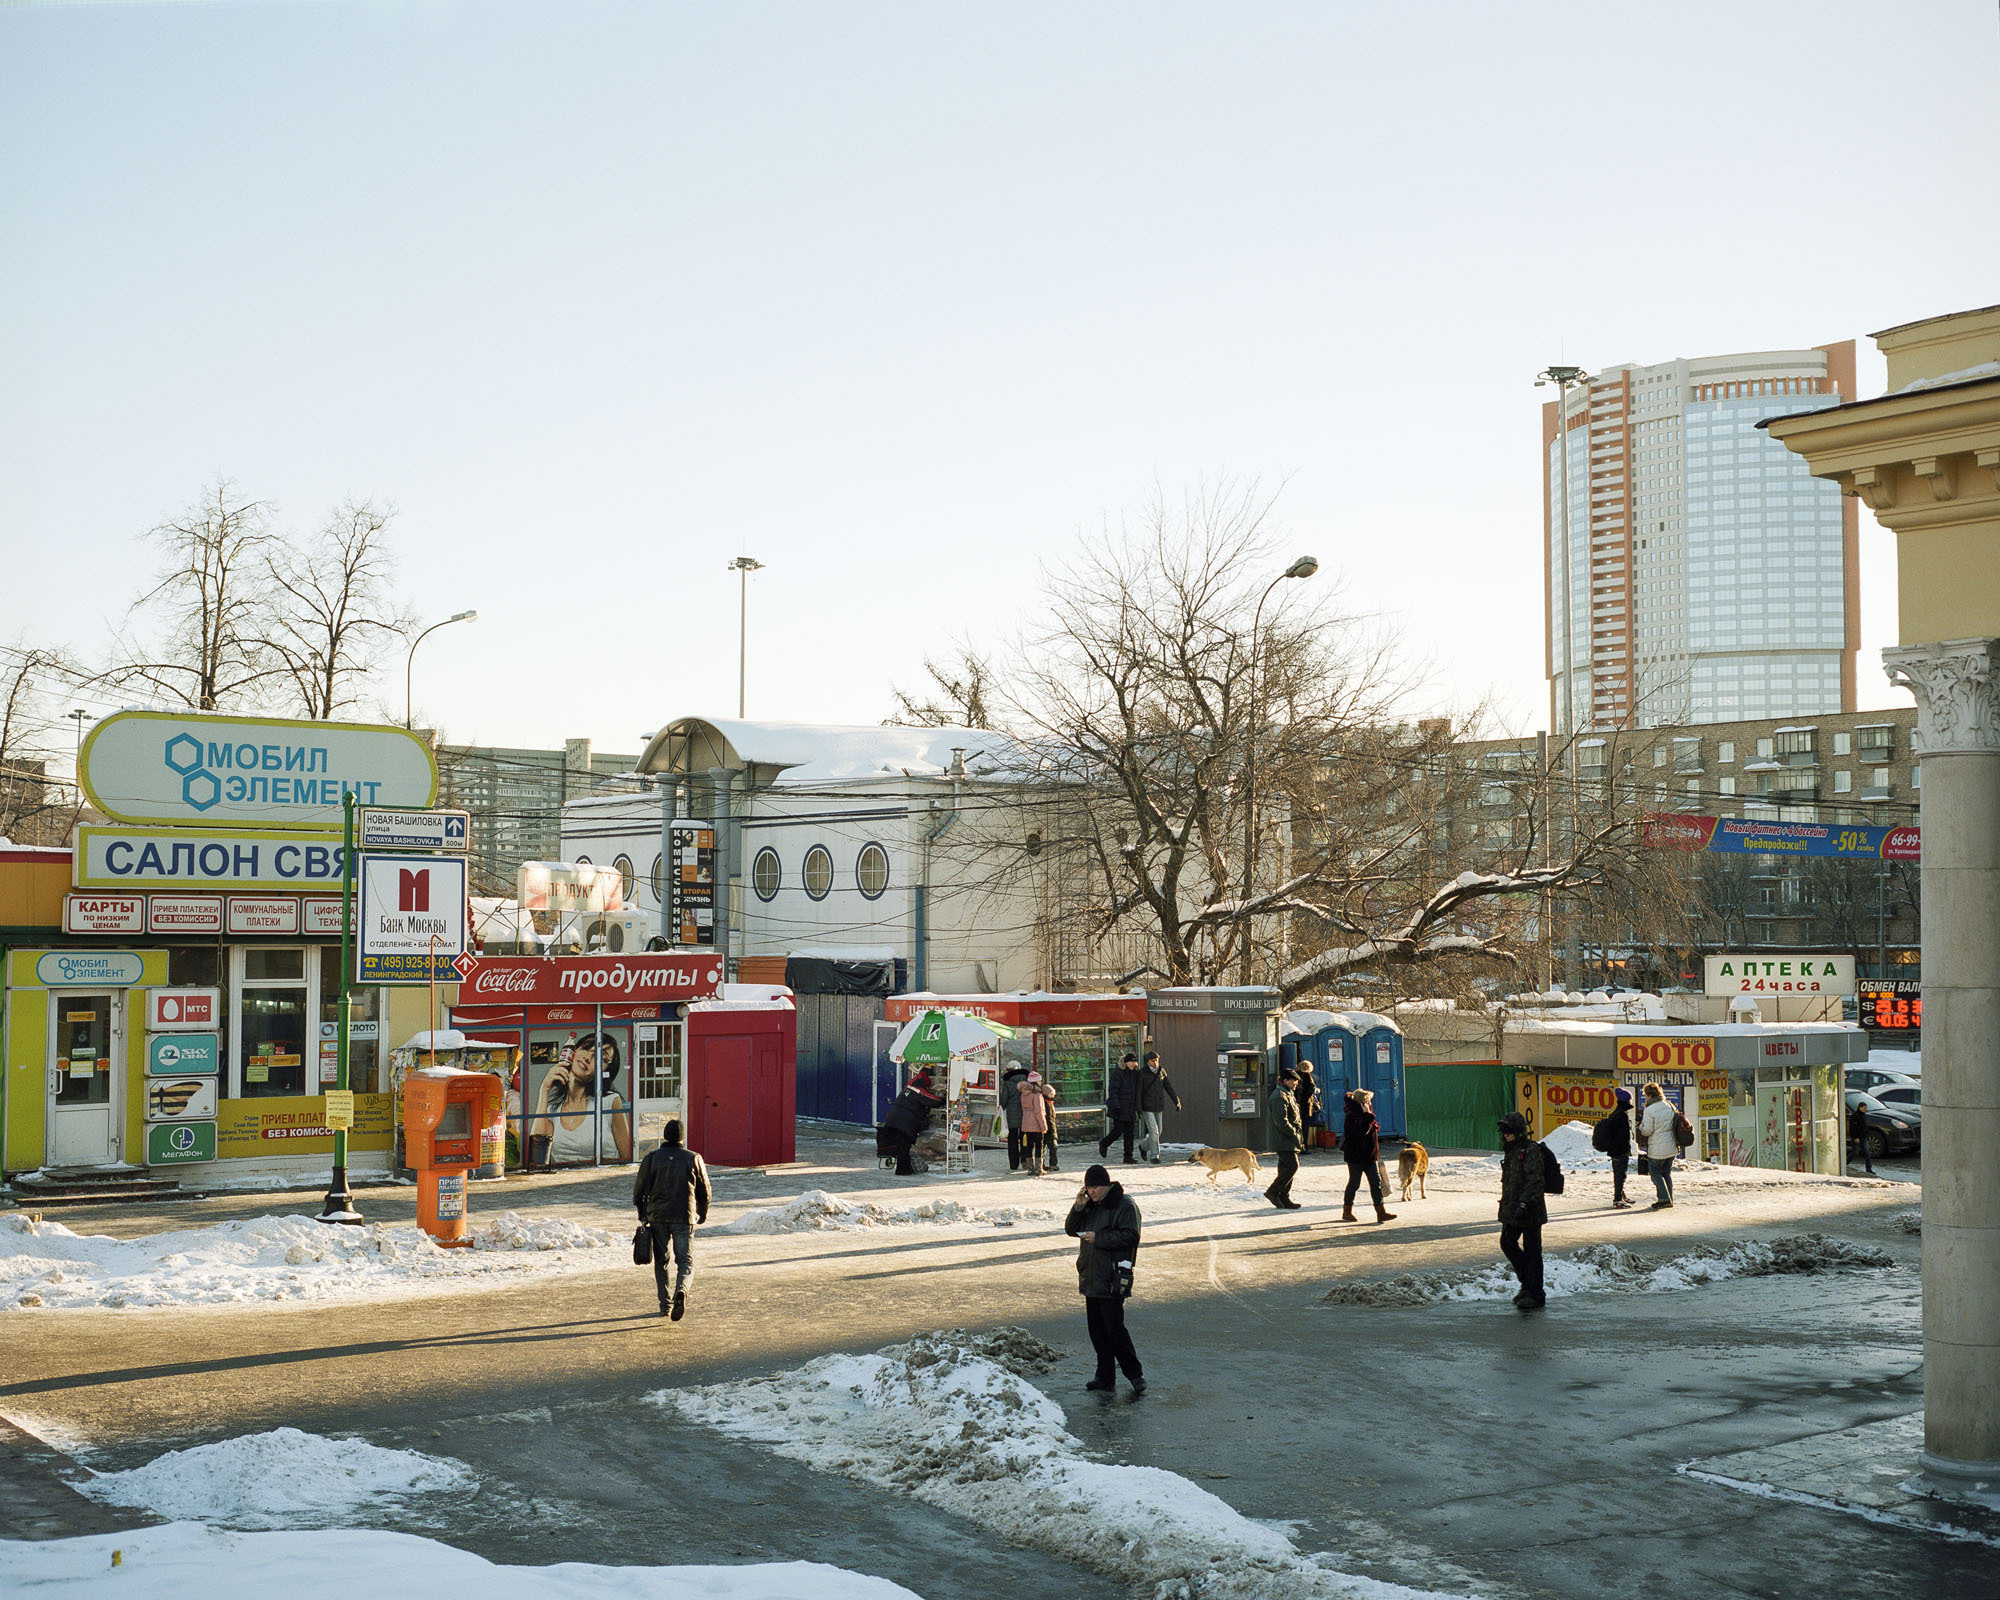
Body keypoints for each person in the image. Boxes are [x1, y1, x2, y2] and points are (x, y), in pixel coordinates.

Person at [1066, 1163, 1144, 1394]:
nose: (1091, 1191)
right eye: (1088, 1187)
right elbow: (1071, 1230)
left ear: (1106, 1185)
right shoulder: (1089, 1205)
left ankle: (1135, 1375)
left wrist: (1098, 1238)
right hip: (1091, 1276)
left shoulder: (1124, 1205)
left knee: (1115, 1330)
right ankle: (1104, 1376)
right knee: (1097, 1332)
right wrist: (1078, 1207)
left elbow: (1131, 1236)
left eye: (1095, 1187)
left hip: (1112, 1276)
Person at [632, 1117, 711, 1319]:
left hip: (657, 1216)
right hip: (684, 1217)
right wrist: (702, 1212)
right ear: (682, 1137)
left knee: (662, 1262)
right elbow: (705, 1191)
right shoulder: (694, 1158)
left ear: (665, 1136)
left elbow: (638, 1190)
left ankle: (665, 1304)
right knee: (685, 1262)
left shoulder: (651, 1158)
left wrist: (642, 1212)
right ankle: (682, 1290)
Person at [529, 1033, 633, 1167]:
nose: (587, 1058)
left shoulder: (610, 1103)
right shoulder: (553, 1110)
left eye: (600, 1058)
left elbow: (628, 1159)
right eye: (585, 1048)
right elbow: (537, 1158)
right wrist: (544, 1090)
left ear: (605, 1070)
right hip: (562, 1179)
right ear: (574, 1050)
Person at [1496, 1111, 1546, 1311]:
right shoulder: (1511, 1150)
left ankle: (1535, 1293)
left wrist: (1525, 1204)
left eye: (1509, 1131)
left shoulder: (1530, 1149)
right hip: (1512, 1208)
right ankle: (1527, 1284)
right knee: (1507, 1243)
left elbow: (1536, 1180)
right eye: (1504, 1132)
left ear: (1518, 1131)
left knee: (1533, 1251)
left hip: (1530, 1210)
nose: (1505, 1135)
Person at [1341, 1088, 1397, 1223]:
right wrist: (1368, 1115)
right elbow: (1362, 1131)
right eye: (1367, 1100)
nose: (1370, 1102)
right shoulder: (1354, 1114)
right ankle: (1347, 1211)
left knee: (1375, 1183)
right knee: (1354, 1183)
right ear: (1362, 1102)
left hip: (1369, 1155)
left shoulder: (1364, 1113)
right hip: (1356, 1155)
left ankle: (1381, 1212)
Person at [883, 1068, 945, 1176]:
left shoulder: (909, 1088)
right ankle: (902, 1170)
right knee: (904, 1146)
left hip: (895, 1121)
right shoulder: (917, 1090)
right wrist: (943, 1100)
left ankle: (905, 1168)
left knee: (902, 1147)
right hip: (903, 1124)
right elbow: (931, 1100)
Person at [1265, 1066, 1306, 1209]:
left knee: (1285, 1169)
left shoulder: (1287, 1094)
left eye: (1296, 1081)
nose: (1296, 1084)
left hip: (1288, 1140)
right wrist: (1292, 1132)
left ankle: (1284, 1197)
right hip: (1283, 1139)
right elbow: (1280, 1120)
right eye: (1293, 1081)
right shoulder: (1279, 1096)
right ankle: (1273, 1192)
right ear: (1285, 1081)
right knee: (1292, 1166)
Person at [1637, 1082, 1678, 1209]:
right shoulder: (1669, 1105)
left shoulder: (1650, 1110)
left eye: (1645, 1095)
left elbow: (1647, 1131)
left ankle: (1664, 1199)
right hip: (1671, 1146)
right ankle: (1669, 1198)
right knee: (1666, 1173)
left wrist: (1640, 1126)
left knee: (1655, 1173)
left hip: (1657, 1148)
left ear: (1649, 1095)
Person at [1592, 1087, 1635, 1209]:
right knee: (1620, 1175)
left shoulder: (1617, 1113)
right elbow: (1622, 1136)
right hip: (1620, 1150)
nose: (1631, 1101)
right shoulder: (1621, 1115)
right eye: (1630, 1099)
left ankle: (1621, 1195)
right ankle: (1618, 1199)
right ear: (1626, 1100)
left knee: (1620, 1174)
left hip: (1615, 1150)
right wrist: (1626, 1149)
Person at [1136, 1050, 1181, 1164]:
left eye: (1156, 1060)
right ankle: (1155, 1156)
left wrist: (1176, 1101)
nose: (1155, 1062)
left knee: (1159, 1131)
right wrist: (1138, 1108)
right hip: (1147, 1106)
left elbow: (1168, 1086)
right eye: (1152, 1061)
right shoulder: (1142, 1073)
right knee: (1154, 1131)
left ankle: (1143, 1146)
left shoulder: (1161, 1071)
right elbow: (1138, 1091)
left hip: (1158, 1105)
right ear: (1148, 1061)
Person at [1099, 1053, 1142, 1165]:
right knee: (1118, 1130)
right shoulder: (1118, 1073)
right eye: (1131, 1062)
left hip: (1130, 1107)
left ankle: (1128, 1156)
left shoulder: (1135, 1074)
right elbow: (1113, 1091)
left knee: (1129, 1133)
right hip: (1119, 1107)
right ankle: (1104, 1143)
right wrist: (1116, 1106)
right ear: (1126, 1062)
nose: (1133, 1064)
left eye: (1134, 1062)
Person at [1018, 1071, 1055, 1177]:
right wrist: (1043, 1126)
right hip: (1036, 1124)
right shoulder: (1037, 1095)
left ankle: (1030, 1169)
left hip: (1026, 1123)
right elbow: (1039, 1112)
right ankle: (1039, 1169)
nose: (1041, 1082)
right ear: (1037, 1082)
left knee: (1029, 1146)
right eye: (1039, 1080)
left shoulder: (1024, 1093)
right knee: (1039, 1146)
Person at [1000, 1059, 1032, 1172]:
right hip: (1025, 1114)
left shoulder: (1007, 1083)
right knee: (1025, 1138)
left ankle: (1014, 1164)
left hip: (1012, 1115)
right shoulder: (1027, 1081)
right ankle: (1025, 1160)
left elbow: (1003, 1101)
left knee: (1012, 1139)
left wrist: (1002, 1106)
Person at [1293, 1062, 1323, 1156]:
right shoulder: (1307, 1076)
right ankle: (1304, 1146)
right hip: (1305, 1105)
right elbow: (1311, 1089)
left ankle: (1296, 1146)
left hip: (1295, 1105)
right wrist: (1317, 1090)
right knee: (1304, 1127)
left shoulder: (1294, 1075)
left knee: (1295, 1127)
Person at [1850, 1094, 1875, 1176]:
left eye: (1865, 1108)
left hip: (1863, 1137)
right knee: (1854, 1152)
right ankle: (1844, 1164)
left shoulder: (1864, 1115)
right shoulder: (1855, 1116)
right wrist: (1855, 1137)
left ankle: (1869, 1169)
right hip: (1857, 1137)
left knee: (1867, 1153)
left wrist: (1867, 1134)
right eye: (1864, 1108)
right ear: (1860, 1108)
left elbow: (1865, 1126)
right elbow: (1853, 1128)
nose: (1865, 1109)